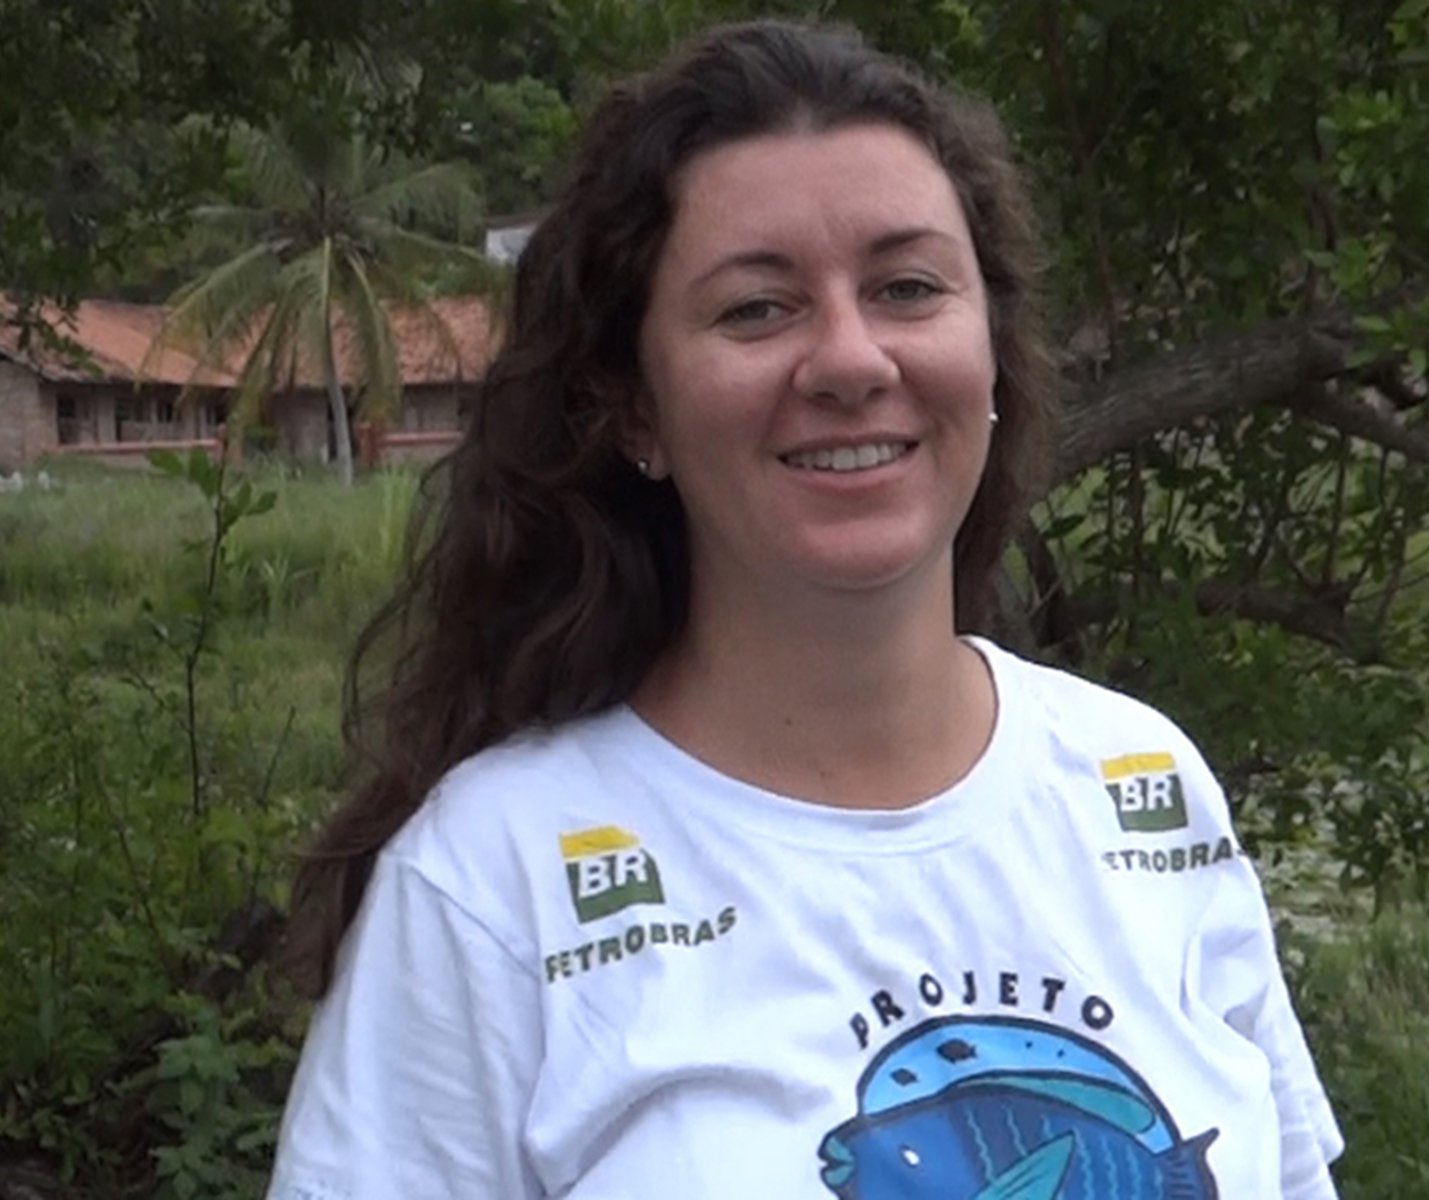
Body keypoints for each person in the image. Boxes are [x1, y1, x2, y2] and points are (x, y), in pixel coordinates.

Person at [268, 19, 1343, 1200]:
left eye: (907, 287)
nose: (847, 359)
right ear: (633, 410)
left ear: (989, 352)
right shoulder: (489, 879)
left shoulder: (1146, 784)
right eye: (756, 309)